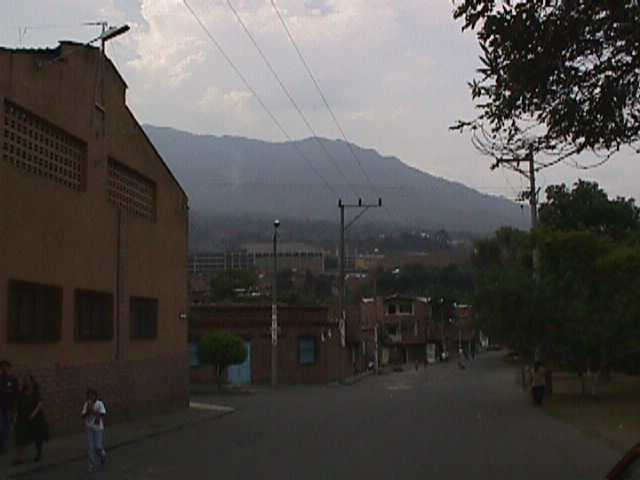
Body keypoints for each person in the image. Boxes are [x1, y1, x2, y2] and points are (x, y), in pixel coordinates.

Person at [13, 375, 48, 465]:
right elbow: (17, 404)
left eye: (28, 381)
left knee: (37, 436)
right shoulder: (21, 393)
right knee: (20, 436)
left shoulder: (35, 392)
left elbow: (40, 404)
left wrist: (33, 414)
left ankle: (39, 453)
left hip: (36, 418)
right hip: (23, 417)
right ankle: (19, 458)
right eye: (25, 381)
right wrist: (16, 415)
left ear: (32, 382)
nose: (26, 382)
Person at [82, 389, 107, 472]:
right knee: (90, 447)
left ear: (95, 396)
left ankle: (102, 455)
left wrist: (94, 412)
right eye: (89, 396)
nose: (91, 397)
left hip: (98, 428)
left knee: (98, 446)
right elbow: (83, 415)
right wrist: (88, 411)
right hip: (89, 427)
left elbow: (103, 413)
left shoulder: (99, 404)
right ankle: (92, 464)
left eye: (92, 395)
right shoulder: (86, 404)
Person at [0, 360, 18, 455]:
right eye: (2, 367)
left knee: (6, 428)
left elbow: (16, 394)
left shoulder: (13, 379)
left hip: (9, 408)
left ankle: (3, 446)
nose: (4, 368)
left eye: (6, 366)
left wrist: (15, 409)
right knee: (1, 427)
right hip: (1, 408)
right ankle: (2, 446)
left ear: (9, 367)